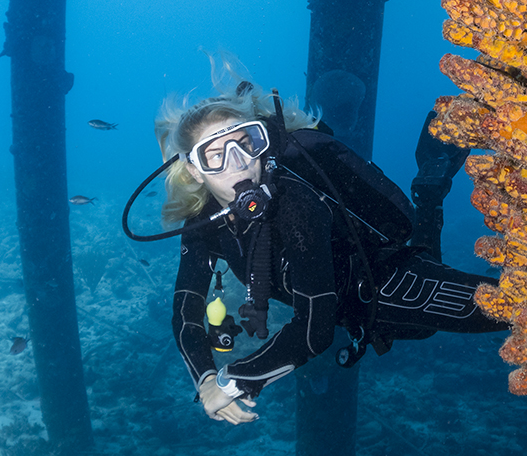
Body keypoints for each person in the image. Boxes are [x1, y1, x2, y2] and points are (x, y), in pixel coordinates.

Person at [147, 70, 505, 425]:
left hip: (383, 281)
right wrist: (207, 380)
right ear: (195, 171)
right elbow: (185, 313)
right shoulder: (204, 224)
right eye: (215, 155)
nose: (238, 162)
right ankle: (429, 191)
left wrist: (235, 381)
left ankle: (429, 192)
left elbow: (314, 331)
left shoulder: (296, 202)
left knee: (519, 306)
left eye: (246, 143)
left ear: (263, 144)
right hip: (347, 312)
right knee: (427, 326)